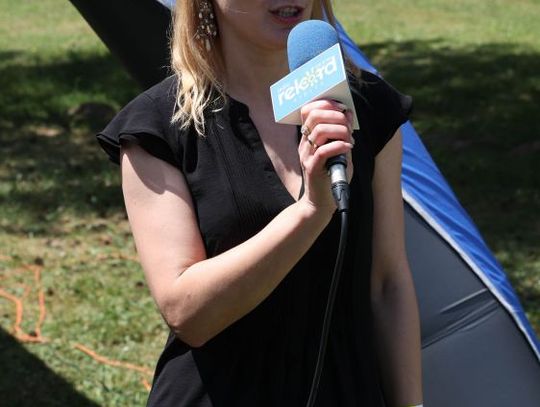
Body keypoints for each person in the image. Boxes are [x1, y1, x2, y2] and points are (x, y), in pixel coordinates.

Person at [96, 1, 423, 406]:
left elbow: (387, 284)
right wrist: (310, 212)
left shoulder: (367, 106)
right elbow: (187, 315)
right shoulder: (159, 126)